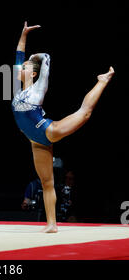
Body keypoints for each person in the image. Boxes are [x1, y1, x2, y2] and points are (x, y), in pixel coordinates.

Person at [12, 21, 114, 233]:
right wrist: (23, 35)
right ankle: (51, 224)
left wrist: (34, 58)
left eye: (26, 67)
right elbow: (18, 56)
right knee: (46, 182)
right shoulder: (18, 88)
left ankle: (102, 81)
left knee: (84, 113)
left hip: (49, 130)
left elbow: (46, 58)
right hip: (35, 141)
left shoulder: (38, 87)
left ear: (32, 74)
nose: (21, 68)